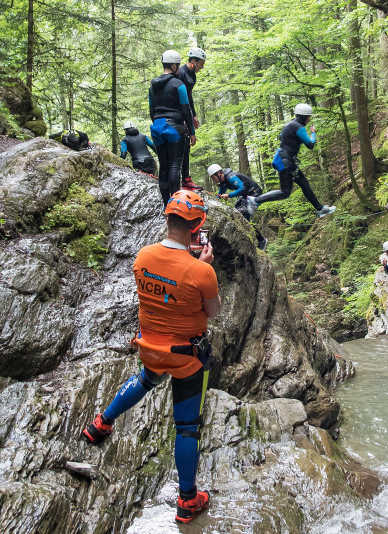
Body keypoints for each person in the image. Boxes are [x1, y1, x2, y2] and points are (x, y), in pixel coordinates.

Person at [82, 190, 219, 524]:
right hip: (186, 358)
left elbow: (164, 287)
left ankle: (101, 424)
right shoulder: (202, 271)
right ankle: (187, 500)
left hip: (151, 347)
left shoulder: (142, 256)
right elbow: (212, 312)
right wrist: (201, 266)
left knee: (146, 378)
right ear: (197, 225)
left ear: (167, 219)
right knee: (187, 429)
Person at [244, 103, 335, 218]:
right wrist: (313, 133)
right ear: (304, 117)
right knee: (285, 192)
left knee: (304, 184)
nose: (309, 119)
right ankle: (255, 200)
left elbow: (282, 137)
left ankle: (320, 208)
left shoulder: (290, 125)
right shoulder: (298, 127)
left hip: (286, 160)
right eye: (309, 116)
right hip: (286, 162)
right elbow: (311, 145)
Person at [149, 50, 197, 206]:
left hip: (157, 127)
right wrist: (192, 132)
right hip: (174, 127)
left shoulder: (152, 87)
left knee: (164, 166)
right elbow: (186, 109)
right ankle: (175, 204)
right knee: (175, 165)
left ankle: (165, 205)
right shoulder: (179, 85)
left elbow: (151, 111)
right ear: (174, 65)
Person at [207, 163, 268, 250]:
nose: (213, 180)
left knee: (243, 216)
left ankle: (261, 240)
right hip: (246, 195)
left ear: (219, 173)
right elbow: (220, 194)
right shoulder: (223, 182)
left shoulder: (231, 177)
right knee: (235, 213)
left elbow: (242, 188)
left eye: (213, 177)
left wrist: (229, 195)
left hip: (254, 193)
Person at [176, 47, 206, 192]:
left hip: (186, 111)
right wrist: (182, 117)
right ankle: (181, 179)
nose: (202, 67)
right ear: (193, 60)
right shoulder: (180, 73)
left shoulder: (192, 76)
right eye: (201, 64)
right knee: (182, 145)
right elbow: (178, 96)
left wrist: (193, 115)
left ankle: (186, 178)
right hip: (177, 112)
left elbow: (189, 97)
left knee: (187, 145)